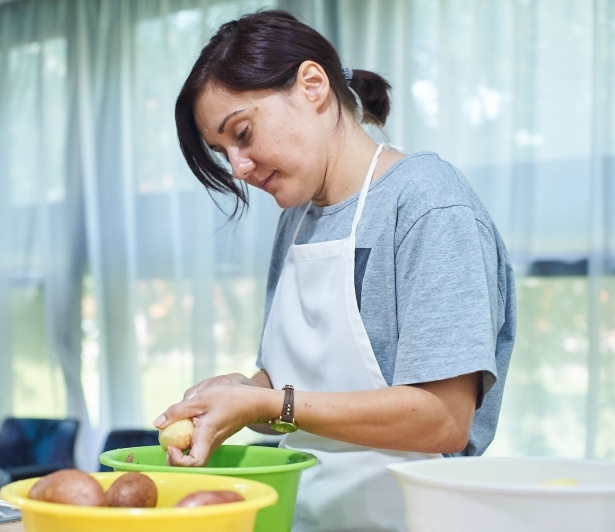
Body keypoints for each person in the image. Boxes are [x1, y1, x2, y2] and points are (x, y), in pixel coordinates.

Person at [153, 9, 516, 531]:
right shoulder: (298, 218)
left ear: (313, 85)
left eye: (244, 133)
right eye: (223, 151)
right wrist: (239, 390)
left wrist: (264, 404)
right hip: (307, 514)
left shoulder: (428, 205)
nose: (239, 168)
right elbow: (290, 379)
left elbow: (444, 420)